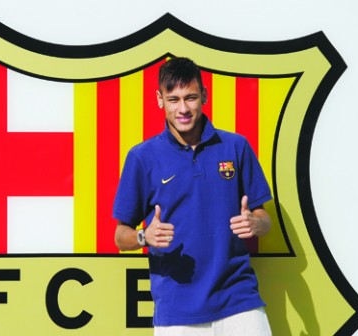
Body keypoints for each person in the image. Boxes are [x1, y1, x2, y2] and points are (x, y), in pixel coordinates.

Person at [113, 57, 272, 335]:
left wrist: (256, 223)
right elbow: (120, 236)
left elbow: (264, 218)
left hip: (238, 298)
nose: (183, 109)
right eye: (173, 99)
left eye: (191, 97)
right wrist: (144, 236)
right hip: (177, 309)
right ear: (160, 99)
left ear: (205, 96)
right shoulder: (141, 157)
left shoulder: (236, 146)